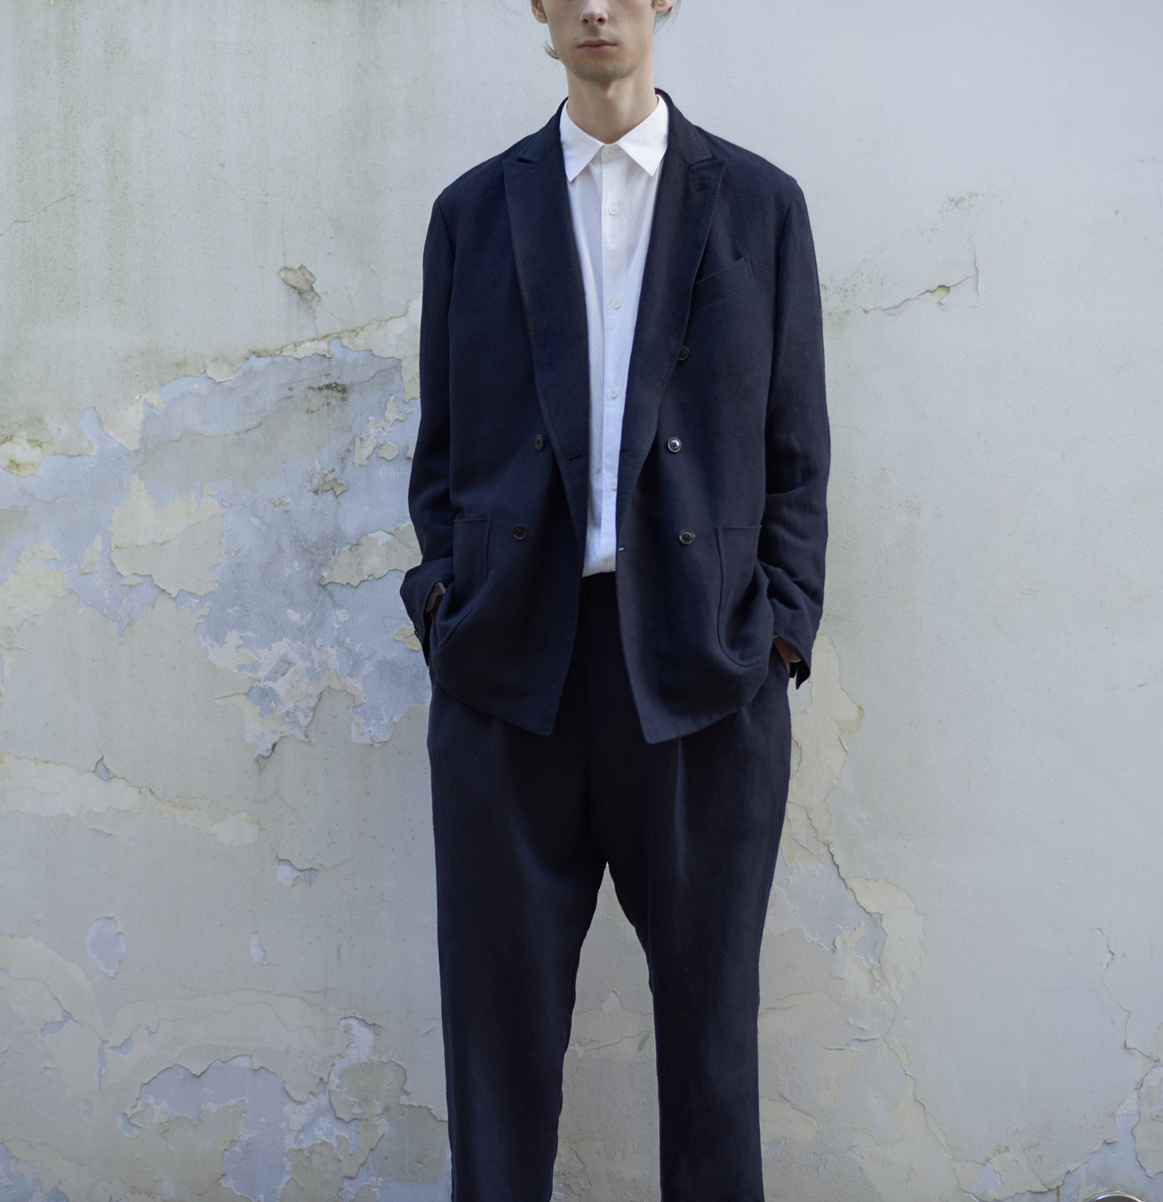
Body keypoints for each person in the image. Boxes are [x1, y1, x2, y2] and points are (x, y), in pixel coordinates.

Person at [400, 0, 829, 1196]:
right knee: (496, 1049)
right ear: (537, 7)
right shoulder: (473, 214)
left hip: (704, 674)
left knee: (712, 1050)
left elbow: (797, 450)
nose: (598, 8)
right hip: (508, 673)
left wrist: (781, 627)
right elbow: (441, 457)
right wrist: (443, 604)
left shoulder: (760, 207)